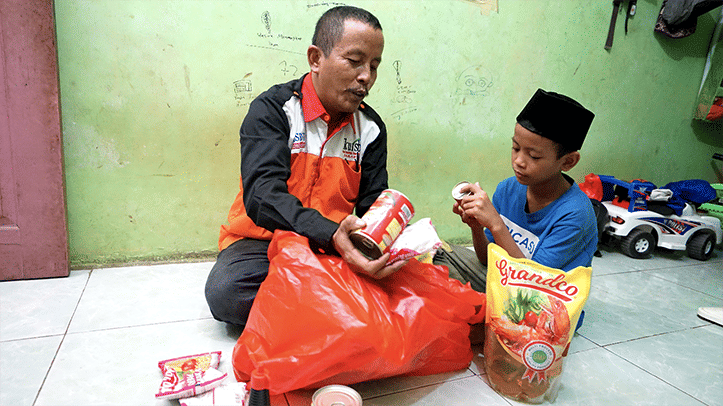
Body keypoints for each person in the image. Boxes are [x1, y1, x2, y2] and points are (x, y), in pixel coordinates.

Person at [205, 6, 405, 327]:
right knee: (228, 292)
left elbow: (372, 205)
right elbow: (262, 197)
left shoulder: (370, 128)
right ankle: (339, 305)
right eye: (355, 61)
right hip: (261, 244)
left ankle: (323, 304)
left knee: (408, 275)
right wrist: (330, 233)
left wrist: (388, 239)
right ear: (315, 59)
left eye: (374, 65)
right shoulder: (274, 111)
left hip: (332, 250)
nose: (366, 76)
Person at [434, 88, 598, 292]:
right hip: (504, 282)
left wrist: (496, 224)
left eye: (534, 156)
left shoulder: (576, 215)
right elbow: (487, 261)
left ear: (568, 161)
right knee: (433, 253)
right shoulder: (508, 189)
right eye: (516, 148)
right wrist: (476, 228)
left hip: (542, 300)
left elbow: (531, 288)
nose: (519, 161)